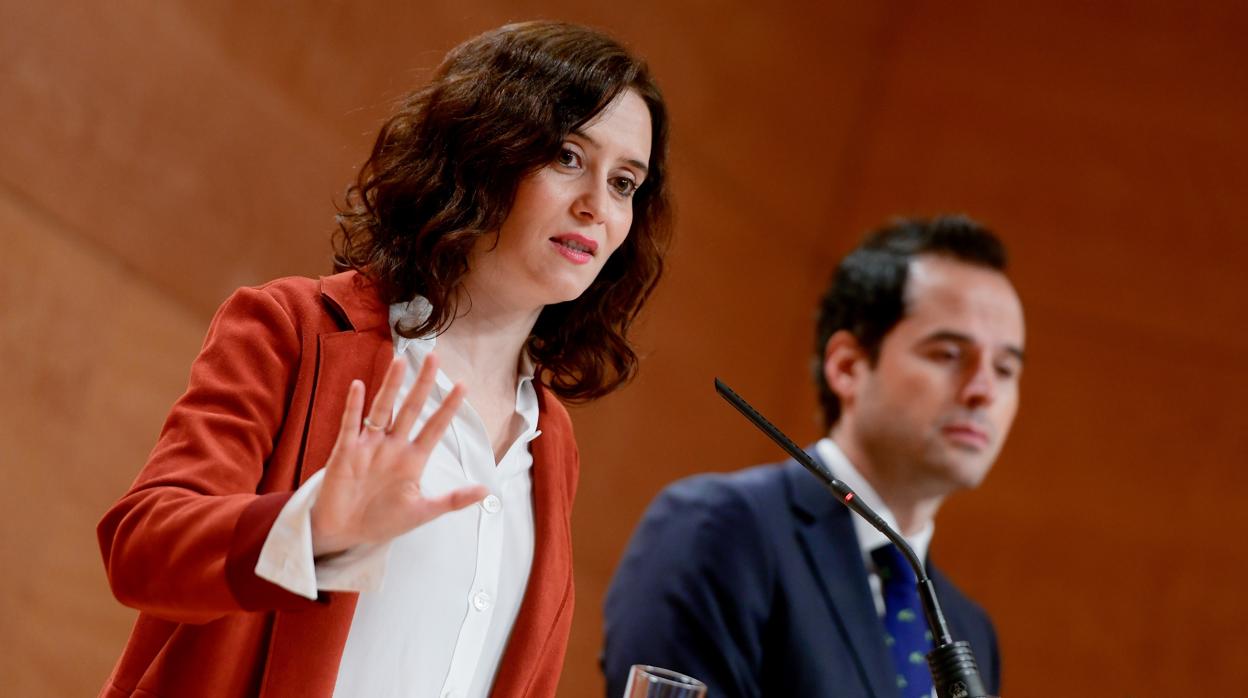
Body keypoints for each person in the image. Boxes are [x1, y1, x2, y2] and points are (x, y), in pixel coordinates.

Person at [97, 21, 671, 698]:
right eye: (569, 157)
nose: (596, 207)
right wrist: (312, 530)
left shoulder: (550, 443)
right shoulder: (293, 330)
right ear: (483, 151)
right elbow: (141, 549)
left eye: (625, 183)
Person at [602, 216, 1023, 698]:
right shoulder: (720, 528)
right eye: (948, 354)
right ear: (847, 366)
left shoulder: (971, 631)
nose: (984, 391)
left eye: (1006, 368)